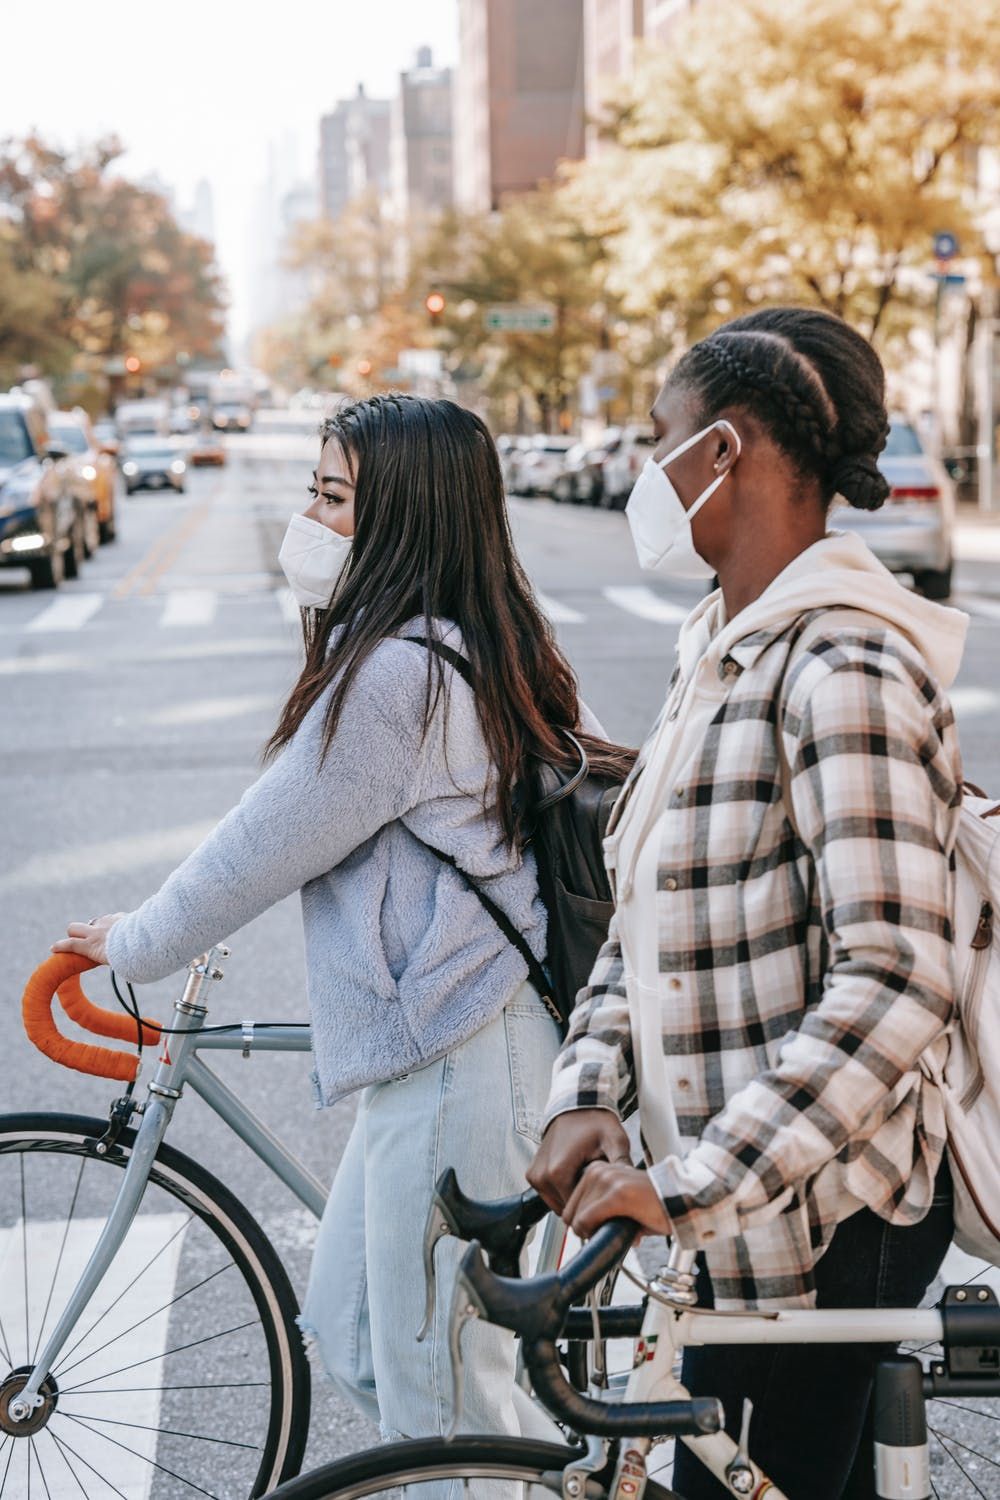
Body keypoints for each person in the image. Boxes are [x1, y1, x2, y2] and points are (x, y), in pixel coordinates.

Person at [54, 393, 630, 1466]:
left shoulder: (400, 679)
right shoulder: (473, 640)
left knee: (441, 1403)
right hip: (451, 1052)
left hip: (467, 1058)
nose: (308, 520)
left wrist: (130, 943)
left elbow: (260, 845)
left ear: (403, 520)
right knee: (359, 1340)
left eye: (332, 497)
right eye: (311, 491)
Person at [528, 307, 965, 1499]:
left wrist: (688, 1186)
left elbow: (898, 976)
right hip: (715, 1208)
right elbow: (643, 912)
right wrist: (584, 1095)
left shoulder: (844, 665)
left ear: (720, 451)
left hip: (825, 1215)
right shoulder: (716, 649)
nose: (638, 467)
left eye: (654, 436)